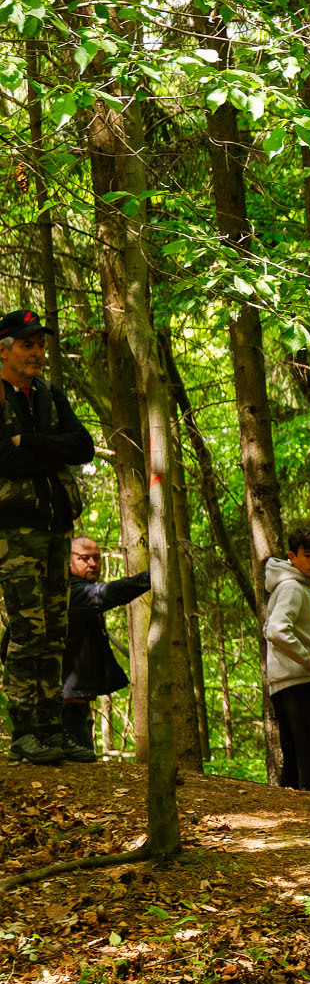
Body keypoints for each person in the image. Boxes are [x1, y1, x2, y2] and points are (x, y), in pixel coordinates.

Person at [0, 308, 94, 766]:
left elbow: (83, 446)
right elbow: (4, 460)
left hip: (57, 526)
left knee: (57, 631)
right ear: (4, 350)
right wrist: (49, 449)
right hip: (14, 531)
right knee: (27, 631)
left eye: (40, 345)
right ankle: (23, 734)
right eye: (27, 345)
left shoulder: (48, 393)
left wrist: (32, 442)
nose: (38, 353)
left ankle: (52, 730)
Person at [61, 537, 148, 759]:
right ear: (67, 561)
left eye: (96, 558)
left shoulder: (75, 591)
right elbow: (107, 593)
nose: (92, 563)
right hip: (62, 707)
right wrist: (151, 577)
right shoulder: (67, 592)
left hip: (76, 702)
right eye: (84, 558)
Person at [263, 527, 310, 792]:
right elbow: (276, 630)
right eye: (308, 556)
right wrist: (306, 659)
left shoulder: (292, 586)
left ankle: (291, 810)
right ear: (292, 557)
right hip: (301, 683)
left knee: (296, 758)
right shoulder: (292, 587)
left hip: (289, 682)